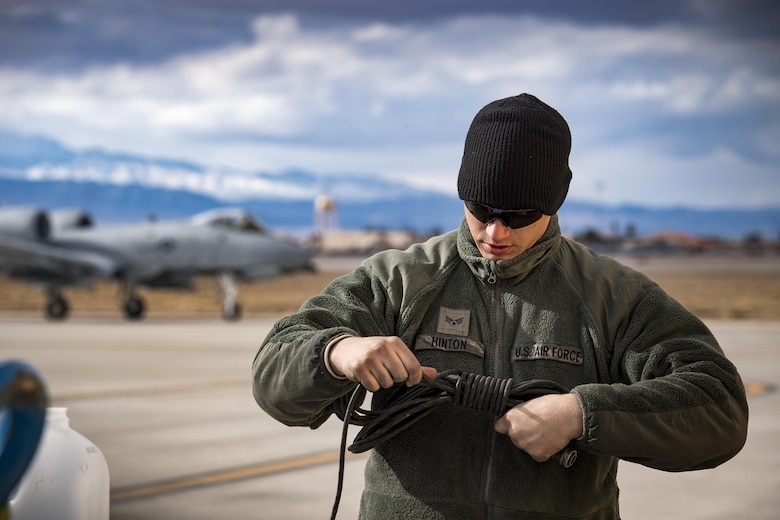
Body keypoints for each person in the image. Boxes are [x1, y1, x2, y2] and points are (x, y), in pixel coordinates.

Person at [251, 93, 749, 519]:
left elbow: (719, 408)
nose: (495, 232)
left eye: (517, 215)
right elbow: (274, 371)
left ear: (555, 201)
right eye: (481, 209)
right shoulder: (399, 279)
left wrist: (582, 413)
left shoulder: (614, 297)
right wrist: (337, 352)